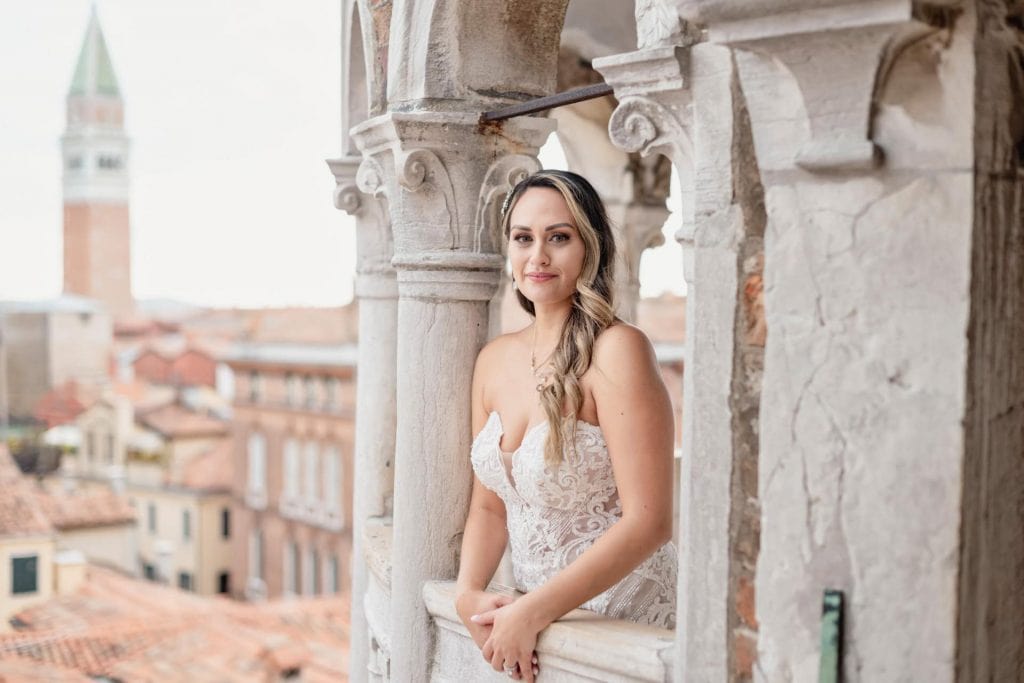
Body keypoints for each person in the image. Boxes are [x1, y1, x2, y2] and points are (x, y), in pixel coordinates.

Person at [455, 169, 678, 682]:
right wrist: (469, 592)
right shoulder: (493, 361)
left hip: (625, 621)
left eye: (559, 237)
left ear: (589, 247)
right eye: (523, 238)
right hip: (538, 631)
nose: (538, 256)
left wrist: (532, 612)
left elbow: (650, 521)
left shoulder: (618, 349)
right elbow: (489, 506)